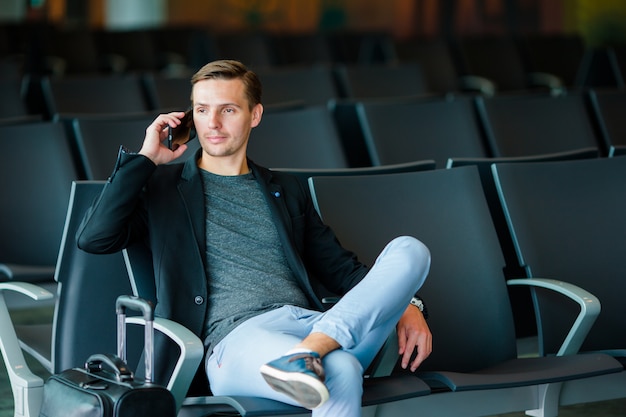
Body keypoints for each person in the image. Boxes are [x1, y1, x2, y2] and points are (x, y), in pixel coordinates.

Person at [77, 59, 432, 417]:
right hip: (236, 343)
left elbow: (343, 271)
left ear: (255, 115)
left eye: (228, 109)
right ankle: (309, 356)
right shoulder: (162, 189)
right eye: (202, 110)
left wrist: (408, 304)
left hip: (312, 324)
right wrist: (146, 158)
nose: (212, 123)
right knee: (341, 370)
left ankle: (309, 351)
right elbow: (95, 238)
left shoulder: (285, 189)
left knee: (410, 250)